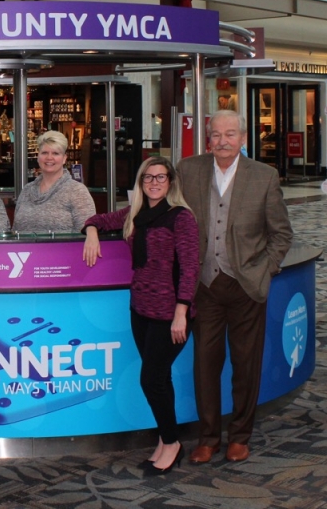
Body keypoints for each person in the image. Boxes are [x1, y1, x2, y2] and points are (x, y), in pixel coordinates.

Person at [177, 110, 293, 465]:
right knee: (205, 366)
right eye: (216, 135)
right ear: (208, 138)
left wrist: (264, 271)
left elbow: (281, 233)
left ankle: (240, 435)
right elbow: (165, 212)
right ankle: (208, 438)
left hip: (246, 286)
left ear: (243, 137)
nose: (222, 141)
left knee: (246, 364)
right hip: (204, 286)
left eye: (230, 134)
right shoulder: (188, 170)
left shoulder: (264, 176)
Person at [82, 156, 199, 475]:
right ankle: (166, 439)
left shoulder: (181, 217)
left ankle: (172, 443)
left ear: (171, 182)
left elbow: (190, 268)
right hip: (141, 309)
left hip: (171, 313)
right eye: (148, 178)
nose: (154, 183)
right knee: (159, 378)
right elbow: (99, 219)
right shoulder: (136, 213)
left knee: (151, 378)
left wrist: (181, 312)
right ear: (141, 182)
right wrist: (91, 230)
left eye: (161, 177)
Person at [13, 130, 95, 233]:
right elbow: (15, 231)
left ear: (64, 158)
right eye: (44, 153)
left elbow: (86, 234)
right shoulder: (27, 190)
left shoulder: (77, 191)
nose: (49, 158)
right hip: (26, 249)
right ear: (38, 157)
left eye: (55, 153)